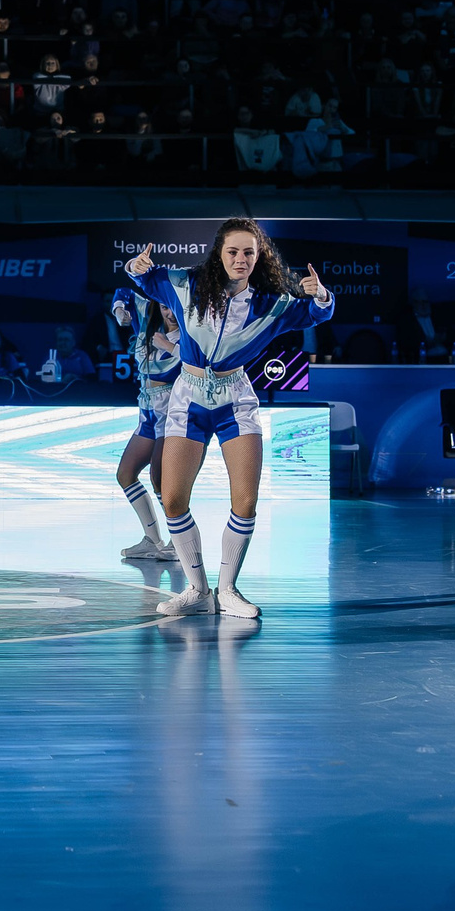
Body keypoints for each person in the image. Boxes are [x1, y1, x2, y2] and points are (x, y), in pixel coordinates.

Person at [123, 220, 335, 619]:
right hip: (187, 398)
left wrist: (321, 295)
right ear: (218, 254)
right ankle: (197, 590)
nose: (241, 259)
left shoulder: (271, 304)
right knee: (173, 499)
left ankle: (228, 589)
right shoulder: (186, 285)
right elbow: (145, 279)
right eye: (233, 252)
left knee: (246, 501)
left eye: (249, 253)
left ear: (259, 257)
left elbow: (315, 313)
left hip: (235, 400)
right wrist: (136, 266)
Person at [109, 286, 184, 560]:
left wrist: (169, 347)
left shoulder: (192, 333)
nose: (170, 314)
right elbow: (124, 292)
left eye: (174, 307)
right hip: (147, 410)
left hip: (173, 412)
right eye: (165, 307)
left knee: (160, 479)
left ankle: (180, 542)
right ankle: (152, 540)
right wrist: (120, 311)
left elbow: (204, 362)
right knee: (125, 474)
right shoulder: (146, 319)